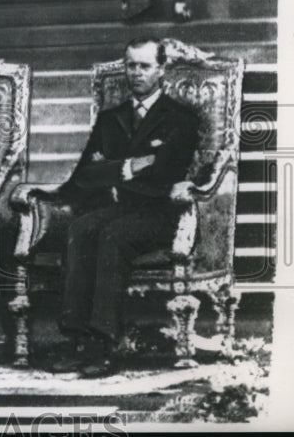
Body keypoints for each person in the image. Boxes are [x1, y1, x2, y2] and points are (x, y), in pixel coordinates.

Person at [52, 38, 199, 377]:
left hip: (164, 214)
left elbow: (165, 173)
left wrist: (114, 170)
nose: (136, 73)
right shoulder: (111, 118)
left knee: (112, 235)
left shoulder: (180, 118)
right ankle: (77, 339)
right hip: (122, 207)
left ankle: (103, 343)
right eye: (130, 65)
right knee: (81, 228)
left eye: (144, 66)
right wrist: (131, 167)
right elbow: (84, 176)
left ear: (161, 70)